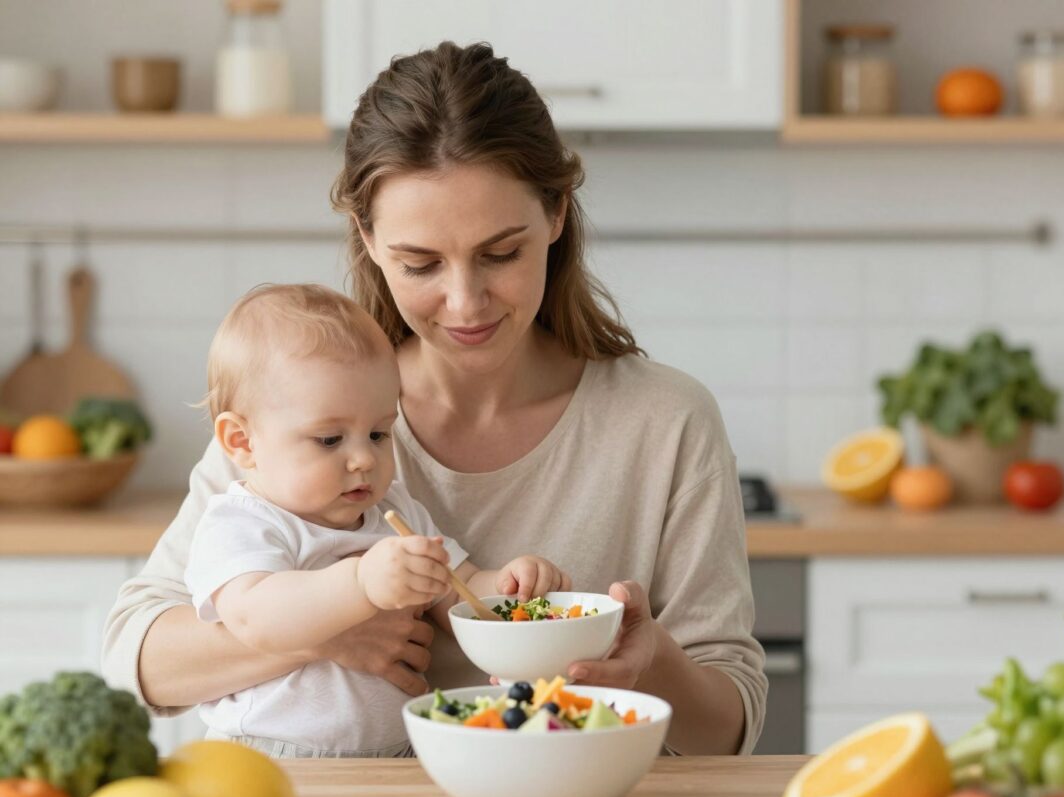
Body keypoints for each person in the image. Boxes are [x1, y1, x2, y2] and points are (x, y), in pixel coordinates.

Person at [103, 41, 766, 756]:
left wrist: (650, 661)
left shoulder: (667, 422)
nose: (464, 302)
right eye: (420, 263)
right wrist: (327, 632)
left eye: (501, 254)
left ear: (556, 214)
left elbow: (729, 730)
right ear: (369, 238)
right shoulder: (301, 413)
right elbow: (138, 660)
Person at [183, 283, 568, 757]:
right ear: (242, 442)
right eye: (330, 439)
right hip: (274, 754)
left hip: (397, 752)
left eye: (379, 434)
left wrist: (510, 587)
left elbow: (459, 589)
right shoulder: (242, 522)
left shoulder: (397, 512)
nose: (364, 459)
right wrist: (361, 583)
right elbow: (256, 618)